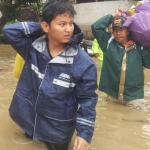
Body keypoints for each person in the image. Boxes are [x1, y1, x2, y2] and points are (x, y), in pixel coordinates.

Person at [2, 1, 98, 150]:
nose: (69, 29)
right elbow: (9, 30)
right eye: (62, 24)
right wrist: (42, 28)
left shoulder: (83, 63)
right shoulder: (33, 47)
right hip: (28, 120)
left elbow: (88, 100)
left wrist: (84, 133)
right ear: (46, 26)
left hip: (57, 130)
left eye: (71, 23)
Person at [91, 7, 150, 110]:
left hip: (134, 97)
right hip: (113, 95)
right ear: (112, 32)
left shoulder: (139, 47)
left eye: (121, 29)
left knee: (135, 123)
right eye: (115, 30)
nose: (118, 33)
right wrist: (113, 16)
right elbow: (96, 27)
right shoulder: (108, 43)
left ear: (127, 31)